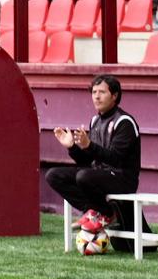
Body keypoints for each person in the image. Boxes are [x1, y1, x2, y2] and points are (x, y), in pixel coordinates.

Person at [45, 75, 143, 240]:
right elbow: (88, 161)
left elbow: (116, 158)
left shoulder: (124, 122)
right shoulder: (95, 120)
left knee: (84, 176)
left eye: (102, 92)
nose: (96, 96)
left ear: (114, 95)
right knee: (54, 175)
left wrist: (89, 145)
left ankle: (107, 212)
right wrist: (72, 147)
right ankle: (93, 211)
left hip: (122, 178)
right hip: (99, 175)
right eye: (94, 92)